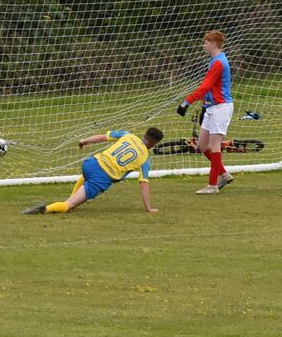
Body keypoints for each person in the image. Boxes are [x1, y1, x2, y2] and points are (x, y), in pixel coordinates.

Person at [24, 127, 164, 215]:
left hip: (91, 164)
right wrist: (148, 208)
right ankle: (46, 209)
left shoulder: (127, 135)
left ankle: (70, 201)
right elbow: (143, 184)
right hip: (102, 177)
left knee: (85, 179)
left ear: (144, 135)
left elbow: (101, 137)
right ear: (153, 144)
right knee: (69, 205)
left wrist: (84, 141)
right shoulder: (145, 159)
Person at [176, 30, 234, 195]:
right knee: (202, 146)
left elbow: (205, 87)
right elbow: (209, 89)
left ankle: (212, 185)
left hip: (221, 107)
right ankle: (223, 174)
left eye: (206, 43)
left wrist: (186, 102)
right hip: (211, 107)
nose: (204, 46)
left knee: (214, 146)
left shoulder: (218, 63)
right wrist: (204, 104)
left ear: (214, 44)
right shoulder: (214, 60)